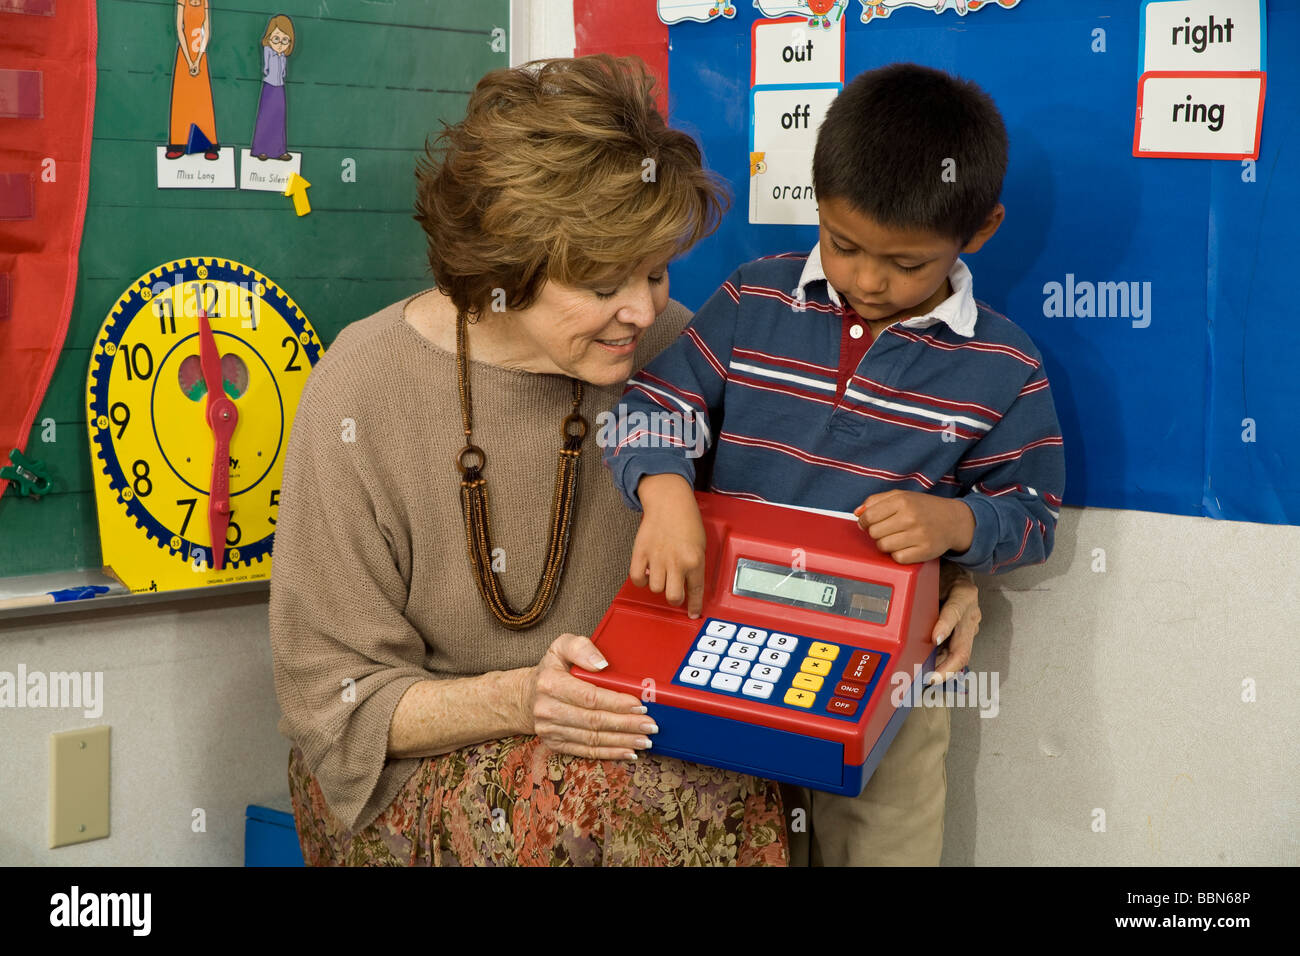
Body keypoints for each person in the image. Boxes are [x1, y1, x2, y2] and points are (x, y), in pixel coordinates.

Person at [269, 55, 985, 866]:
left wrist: (938, 585)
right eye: (603, 284)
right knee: (654, 795)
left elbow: (810, 495)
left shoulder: (681, 344)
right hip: (433, 755)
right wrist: (522, 699)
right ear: (505, 270)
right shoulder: (363, 385)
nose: (640, 310)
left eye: (654, 270)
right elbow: (333, 698)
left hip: (651, 725)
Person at [602, 62, 1064, 865]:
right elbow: (646, 407)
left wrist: (957, 522)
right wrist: (668, 490)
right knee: (715, 833)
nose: (869, 280)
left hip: (889, 667)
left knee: (883, 846)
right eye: (844, 245)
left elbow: (1033, 516)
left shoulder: (1006, 365)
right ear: (816, 203)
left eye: (907, 263)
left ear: (978, 231)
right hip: (722, 628)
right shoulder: (756, 301)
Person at [166, 0, 219, 160]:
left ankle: (210, 144)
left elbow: (206, 31)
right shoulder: (182, 1)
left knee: (202, 98)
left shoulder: (205, 2)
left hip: (200, 57)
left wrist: (198, 59)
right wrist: (189, 60)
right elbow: (179, 30)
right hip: (185, 56)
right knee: (183, 98)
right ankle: (178, 143)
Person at [250, 14, 294, 161]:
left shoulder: (283, 56)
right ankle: (261, 149)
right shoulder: (269, 51)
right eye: (276, 39)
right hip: (269, 87)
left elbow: (283, 72)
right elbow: (266, 69)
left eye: (285, 40)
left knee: (279, 118)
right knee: (266, 117)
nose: (280, 44)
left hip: (279, 88)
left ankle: (279, 150)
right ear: (269, 38)